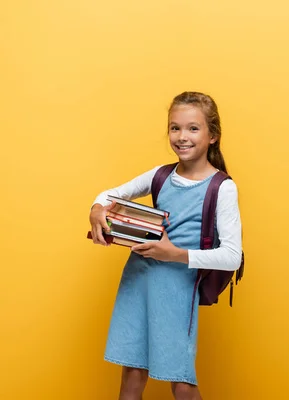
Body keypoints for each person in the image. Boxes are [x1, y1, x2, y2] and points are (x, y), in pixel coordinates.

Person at [89, 91, 242, 400]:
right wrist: (96, 209)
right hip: (138, 281)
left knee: (181, 382)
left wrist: (174, 254)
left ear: (213, 135)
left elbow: (232, 257)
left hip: (176, 290)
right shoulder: (160, 175)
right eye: (175, 128)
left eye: (193, 128)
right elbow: (110, 194)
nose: (182, 136)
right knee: (132, 376)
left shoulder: (222, 187)